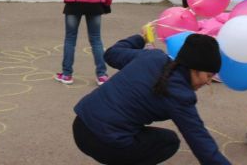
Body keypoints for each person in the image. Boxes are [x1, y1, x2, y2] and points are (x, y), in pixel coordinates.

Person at [72, 33, 229, 165]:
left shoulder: (152, 56)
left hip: (80, 125)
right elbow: (200, 141)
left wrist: (140, 38)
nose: (209, 82)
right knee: (168, 141)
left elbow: (112, 53)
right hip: (104, 142)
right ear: (194, 67)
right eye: (208, 75)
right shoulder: (180, 95)